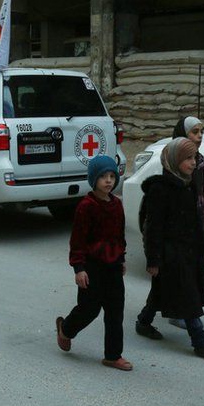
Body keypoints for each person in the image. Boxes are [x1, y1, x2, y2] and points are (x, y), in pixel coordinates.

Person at [137, 137, 204, 358]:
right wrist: (153, 260)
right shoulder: (160, 190)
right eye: (187, 158)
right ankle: (201, 342)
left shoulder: (189, 185)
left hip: (189, 252)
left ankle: (143, 321)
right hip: (171, 255)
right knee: (188, 296)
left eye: (194, 157)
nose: (193, 162)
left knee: (160, 292)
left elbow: (197, 222)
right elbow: (153, 229)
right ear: (175, 160)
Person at [55, 155, 132, 371]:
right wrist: (79, 268)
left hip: (114, 266)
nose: (108, 181)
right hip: (92, 267)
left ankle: (113, 355)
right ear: (93, 179)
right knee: (89, 309)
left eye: (111, 176)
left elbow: (119, 235)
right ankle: (66, 330)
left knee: (115, 312)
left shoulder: (117, 205)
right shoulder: (86, 207)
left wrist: (122, 258)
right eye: (103, 177)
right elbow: (77, 241)